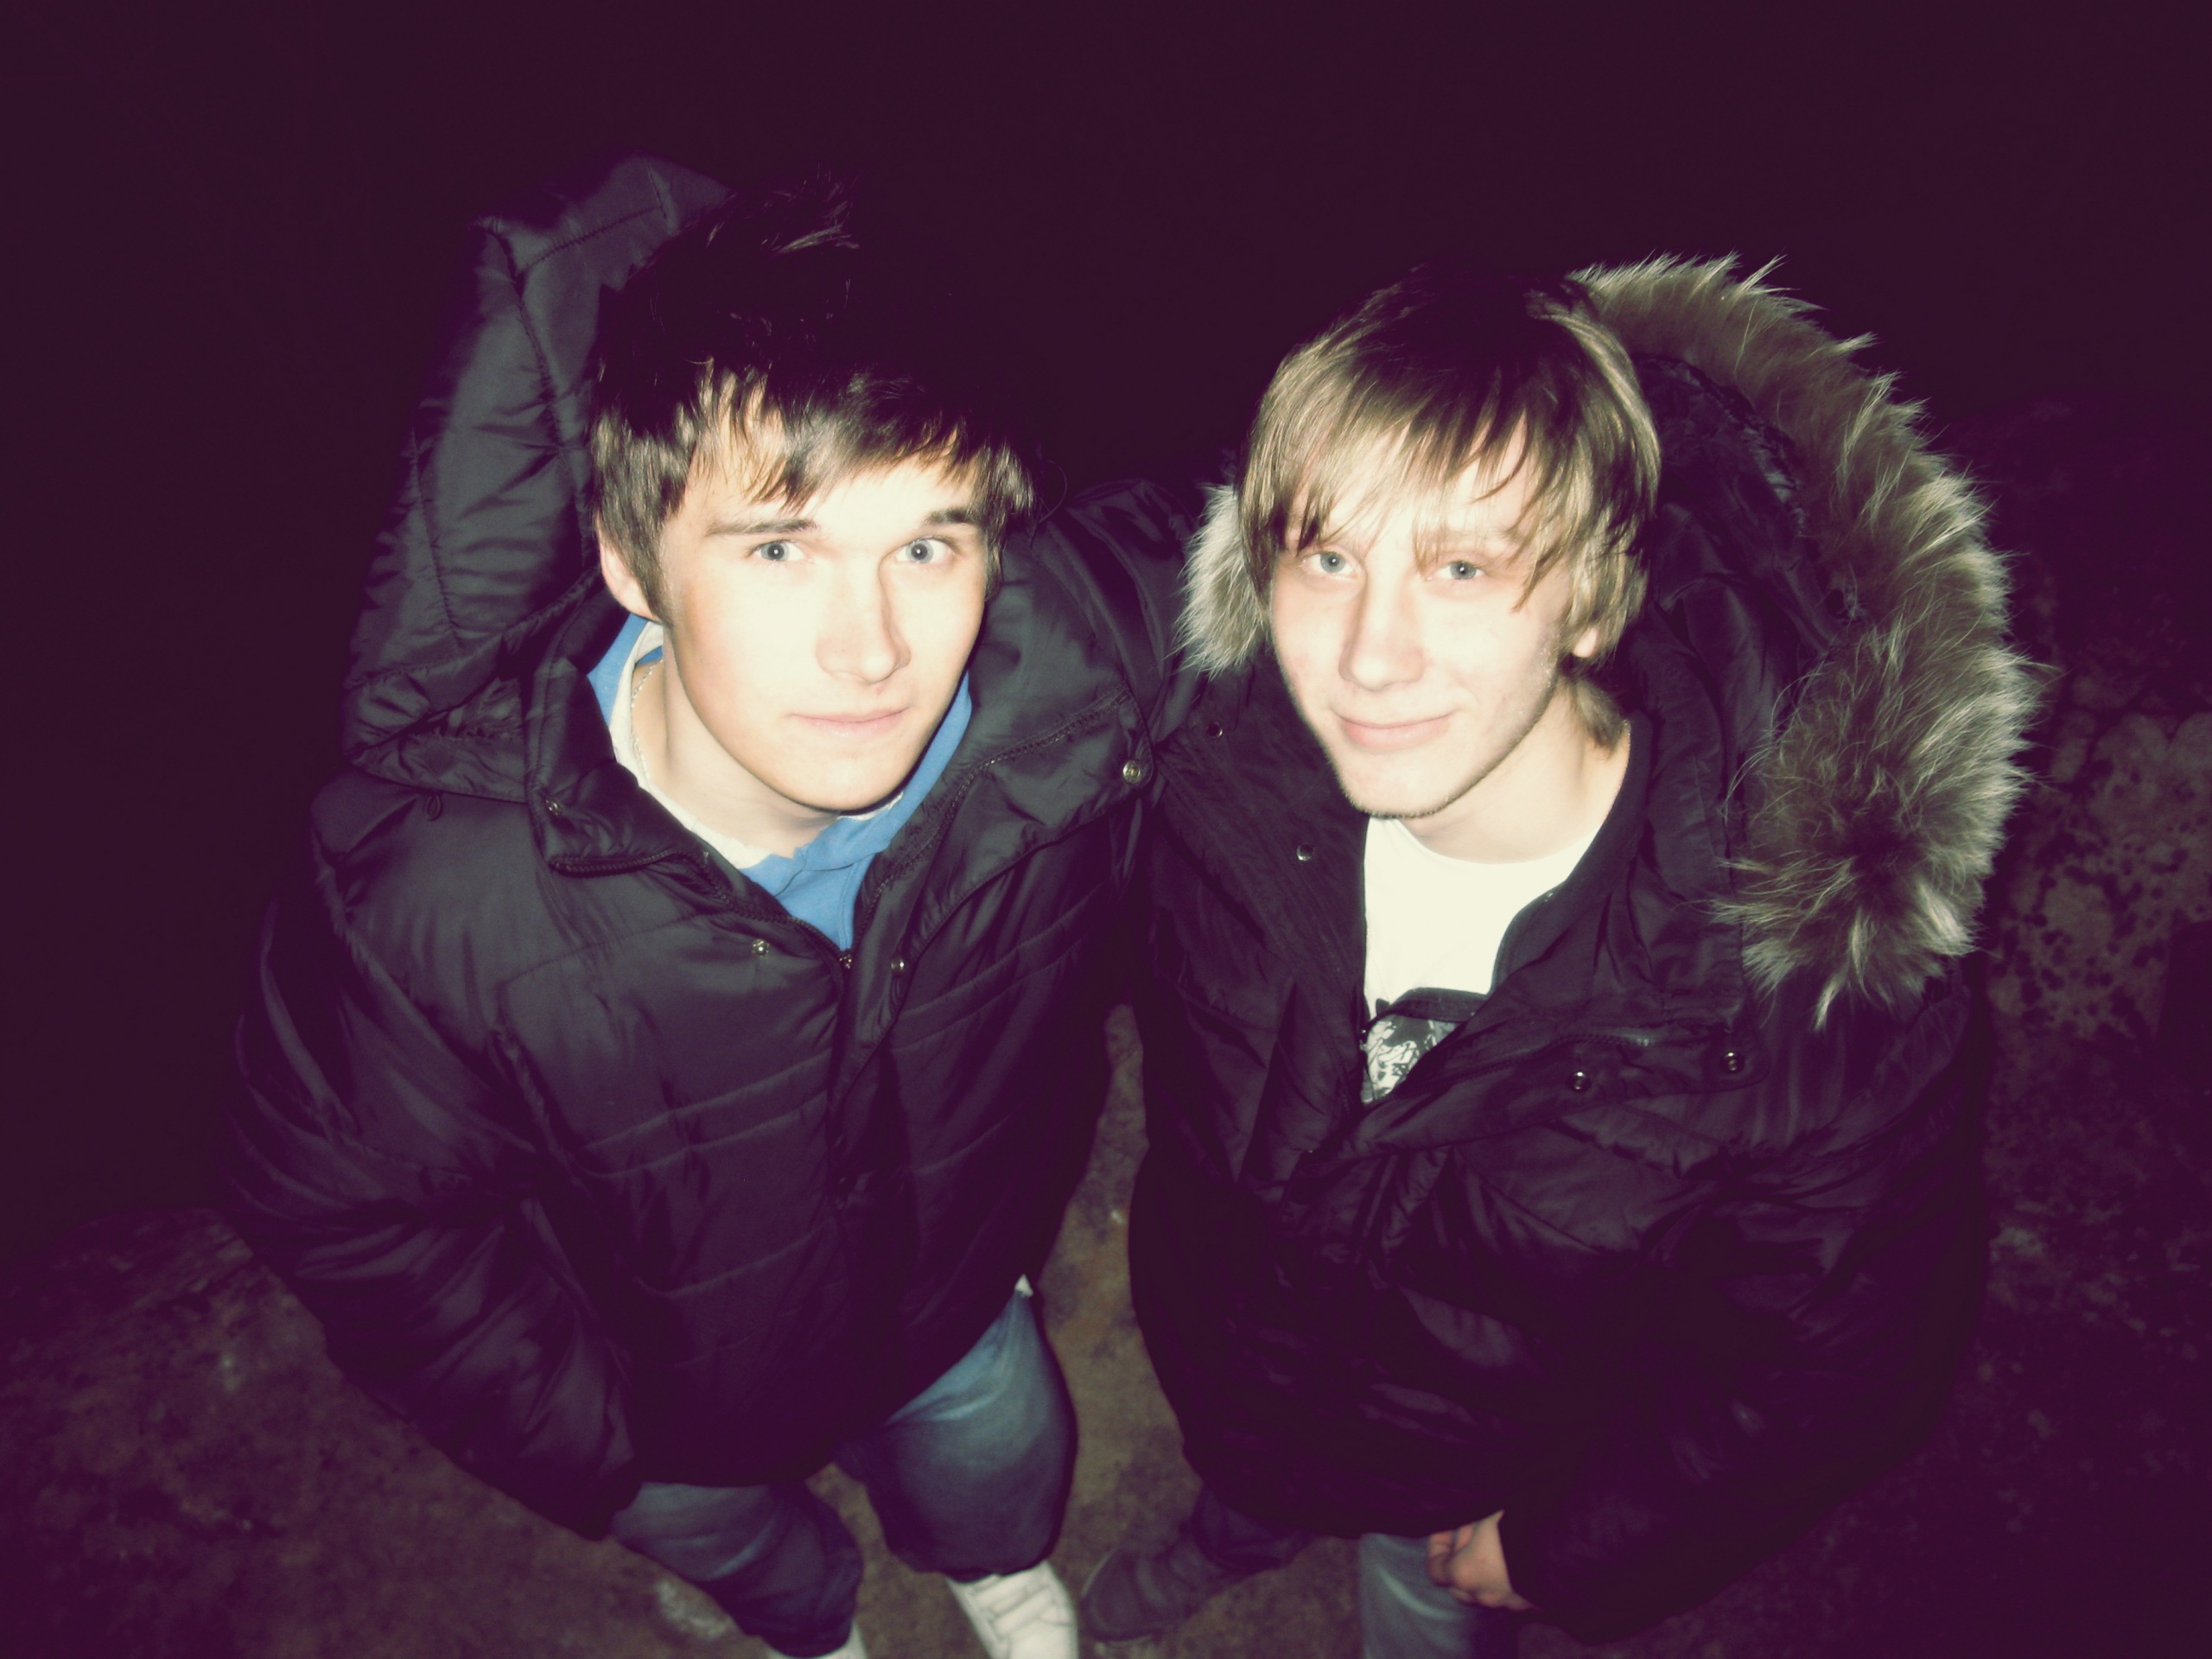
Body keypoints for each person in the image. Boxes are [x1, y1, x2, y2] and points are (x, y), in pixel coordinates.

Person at [223, 153, 1190, 1659]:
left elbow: (1325, 545)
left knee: (1001, 1468)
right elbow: (343, 1210)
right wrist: (590, 1433)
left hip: (951, 1308)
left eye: (926, 545)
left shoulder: (1066, 689)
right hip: (674, 1399)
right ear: (629, 561)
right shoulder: (433, 900)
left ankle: (993, 1570)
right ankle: (815, 1624)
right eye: (780, 548)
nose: (871, 649)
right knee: (764, 1564)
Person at [1083, 261, 2037, 1654]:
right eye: (1328, 559)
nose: (1369, 657)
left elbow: (1821, 1369)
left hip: (1472, 1476)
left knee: (1421, 1611)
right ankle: (1233, 1526)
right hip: (1234, 1365)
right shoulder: (1211, 769)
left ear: (1595, 599)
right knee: (1244, 1484)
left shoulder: (1808, 991)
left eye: (1462, 569)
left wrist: (1565, 1543)